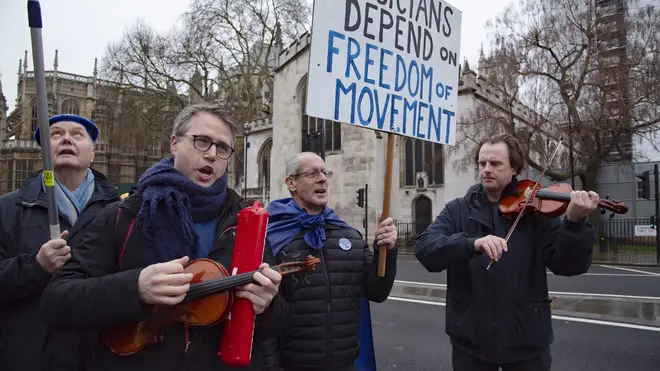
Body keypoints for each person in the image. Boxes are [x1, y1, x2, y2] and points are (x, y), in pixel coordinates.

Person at [40, 103, 284, 371]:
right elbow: (57, 301)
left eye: (222, 148)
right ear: (174, 144)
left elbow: (278, 324)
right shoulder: (124, 214)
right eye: (202, 141)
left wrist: (268, 306)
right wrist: (136, 288)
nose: (212, 154)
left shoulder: (248, 222)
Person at [414, 133, 599, 371]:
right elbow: (425, 248)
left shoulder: (537, 212)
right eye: (482, 164)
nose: (486, 169)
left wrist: (574, 223)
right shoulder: (458, 210)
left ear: (514, 168)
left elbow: (568, 265)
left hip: (526, 343)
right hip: (471, 344)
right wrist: (471, 244)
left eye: (495, 163)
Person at [0, 114, 120, 371]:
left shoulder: (122, 212)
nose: (66, 138)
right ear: (42, 151)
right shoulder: (6, 210)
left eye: (77, 134)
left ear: (93, 153)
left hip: (102, 356)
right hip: (31, 358)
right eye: (55, 135)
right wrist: (35, 267)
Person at [265, 152, 399, 371]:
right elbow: (262, 316)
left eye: (325, 173)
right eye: (312, 173)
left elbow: (378, 292)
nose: (322, 179)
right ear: (291, 183)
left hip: (345, 364)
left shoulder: (350, 236)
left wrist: (386, 249)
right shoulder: (272, 237)